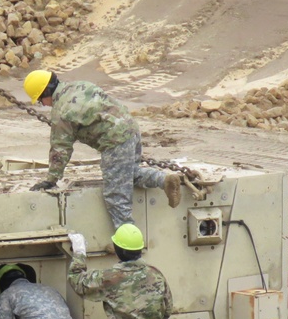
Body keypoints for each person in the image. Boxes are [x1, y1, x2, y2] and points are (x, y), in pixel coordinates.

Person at [23, 70, 182, 229]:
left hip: (114, 142)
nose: (43, 104)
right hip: (131, 128)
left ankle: (126, 241)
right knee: (126, 174)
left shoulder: (61, 112)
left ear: (46, 92)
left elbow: (60, 149)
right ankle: (164, 180)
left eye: (40, 100)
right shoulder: (80, 85)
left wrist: (51, 179)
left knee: (115, 196)